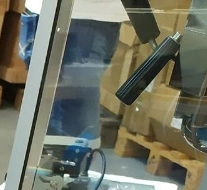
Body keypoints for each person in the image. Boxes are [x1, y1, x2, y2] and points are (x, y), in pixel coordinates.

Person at [21, 0, 128, 149]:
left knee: (71, 108)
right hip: (49, 10)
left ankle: (67, 159)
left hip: (82, 14)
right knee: (46, 106)